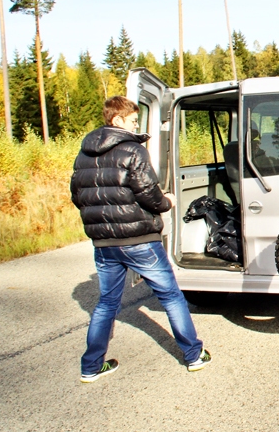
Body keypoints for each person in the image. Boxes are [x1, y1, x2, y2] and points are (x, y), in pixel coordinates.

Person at [70, 96, 211, 383]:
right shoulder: (132, 150)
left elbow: (78, 195)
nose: (136, 124)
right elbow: (149, 194)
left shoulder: (83, 154)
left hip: (103, 243)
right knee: (171, 296)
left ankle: (91, 366)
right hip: (139, 239)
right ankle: (193, 355)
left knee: (106, 303)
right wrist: (168, 201)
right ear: (116, 120)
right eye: (133, 120)